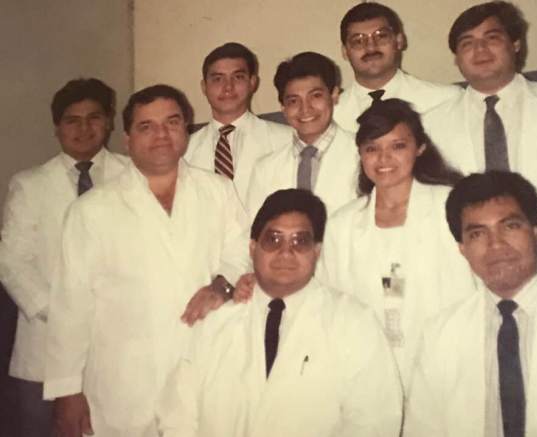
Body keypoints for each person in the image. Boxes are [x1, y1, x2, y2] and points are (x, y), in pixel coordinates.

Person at [43, 85, 249, 437]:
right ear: (126, 138)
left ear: (186, 130)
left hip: (200, 369)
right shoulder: (92, 210)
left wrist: (220, 285)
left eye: (172, 122)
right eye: (146, 126)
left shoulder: (217, 190)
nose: (161, 134)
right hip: (121, 384)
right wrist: (66, 392)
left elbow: (242, 252)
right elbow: (70, 307)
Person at [157, 189, 403, 437]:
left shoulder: (353, 324)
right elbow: (179, 417)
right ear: (252, 249)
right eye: (273, 240)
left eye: (300, 241)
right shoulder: (215, 324)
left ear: (316, 252)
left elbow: (375, 422)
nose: (286, 252)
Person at [404, 171, 537, 436]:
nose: (496, 244)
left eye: (510, 226)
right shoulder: (440, 336)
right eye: (477, 234)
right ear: (462, 249)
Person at [316, 98, 475, 390]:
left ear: (420, 148)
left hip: (451, 368)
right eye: (372, 149)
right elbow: (332, 305)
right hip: (370, 373)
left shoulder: (452, 206)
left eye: (397, 146)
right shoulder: (342, 224)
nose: (383, 159)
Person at [0, 78, 127, 437]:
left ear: (109, 123)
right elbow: (11, 261)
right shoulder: (29, 184)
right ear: (57, 128)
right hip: (43, 348)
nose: (84, 128)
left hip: (114, 345)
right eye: (73, 120)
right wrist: (61, 314)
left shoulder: (131, 176)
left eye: (94, 118)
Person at [423, 1, 537, 270]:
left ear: (516, 44)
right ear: (456, 58)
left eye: (492, 38)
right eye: (467, 43)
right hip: (469, 276)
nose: (480, 50)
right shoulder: (430, 126)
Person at [246, 51, 359, 220]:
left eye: (316, 96)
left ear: (334, 95)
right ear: (283, 107)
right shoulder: (265, 169)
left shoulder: (362, 155)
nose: (305, 109)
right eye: (293, 101)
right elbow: (256, 231)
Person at [184, 42, 292, 205]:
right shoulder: (184, 150)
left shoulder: (287, 140)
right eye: (218, 79)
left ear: (253, 83)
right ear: (204, 87)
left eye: (238, 77)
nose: (228, 87)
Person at [334, 2, 460, 133]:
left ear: (399, 41)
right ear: (344, 51)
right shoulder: (331, 117)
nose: (371, 47)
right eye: (358, 41)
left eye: (381, 36)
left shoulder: (444, 101)